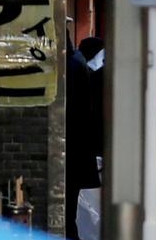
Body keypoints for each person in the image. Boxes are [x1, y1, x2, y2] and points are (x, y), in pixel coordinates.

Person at [66, 32, 101, 240]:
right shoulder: (77, 64)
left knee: (69, 212)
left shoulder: (71, 67)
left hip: (71, 150)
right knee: (71, 211)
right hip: (77, 151)